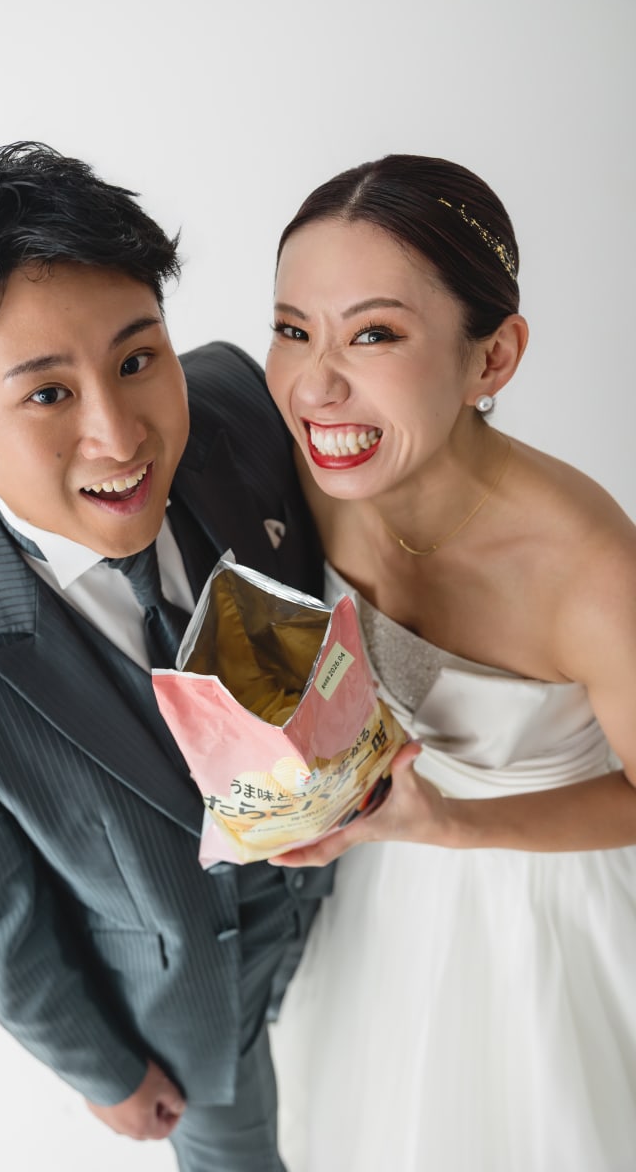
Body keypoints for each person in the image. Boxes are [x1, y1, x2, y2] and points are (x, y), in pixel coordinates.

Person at [0, 141, 333, 1172]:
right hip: (193, 1015)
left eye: (137, 360)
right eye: (48, 395)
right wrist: (102, 1072)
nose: (119, 434)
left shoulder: (240, 403)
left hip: (356, 892)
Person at [263, 154, 636, 1171]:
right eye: (292, 329)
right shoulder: (307, 462)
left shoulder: (593, 571)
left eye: (373, 334)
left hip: (554, 915)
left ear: (493, 358)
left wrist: (452, 826)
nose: (314, 383)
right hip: (378, 896)